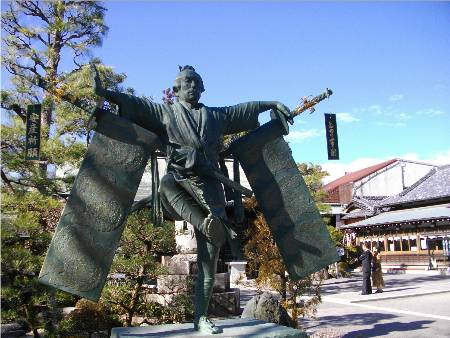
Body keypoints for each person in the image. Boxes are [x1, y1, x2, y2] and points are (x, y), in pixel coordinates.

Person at [91, 64, 291, 334]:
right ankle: (204, 221)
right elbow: (133, 103)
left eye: (197, 83)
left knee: (209, 264)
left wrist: (270, 103)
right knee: (166, 184)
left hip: (211, 189)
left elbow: (240, 111)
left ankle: (201, 317)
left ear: (203, 88)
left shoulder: (213, 116)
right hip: (180, 186)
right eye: (187, 82)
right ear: (176, 89)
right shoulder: (164, 113)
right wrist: (106, 92)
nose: (193, 86)